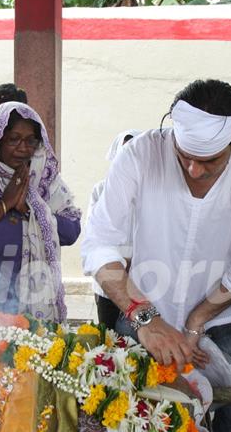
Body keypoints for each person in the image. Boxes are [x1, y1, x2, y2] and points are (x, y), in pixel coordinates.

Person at [82, 79, 231, 432]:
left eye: (209, 160)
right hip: (141, 317)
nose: (194, 170)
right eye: (184, 156)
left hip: (221, 323)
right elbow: (99, 244)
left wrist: (195, 322)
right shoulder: (140, 154)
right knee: (135, 416)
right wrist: (149, 320)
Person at [0, 101, 81, 322]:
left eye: (31, 140)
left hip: (37, 298)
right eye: (14, 139)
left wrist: (33, 209)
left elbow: (71, 231)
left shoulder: (43, 177)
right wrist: (5, 204)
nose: (23, 148)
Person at [87, 129, 141, 330]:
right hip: (109, 277)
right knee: (109, 337)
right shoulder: (101, 190)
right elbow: (94, 234)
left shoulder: (152, 192)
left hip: (142, 276)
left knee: (140, 340)